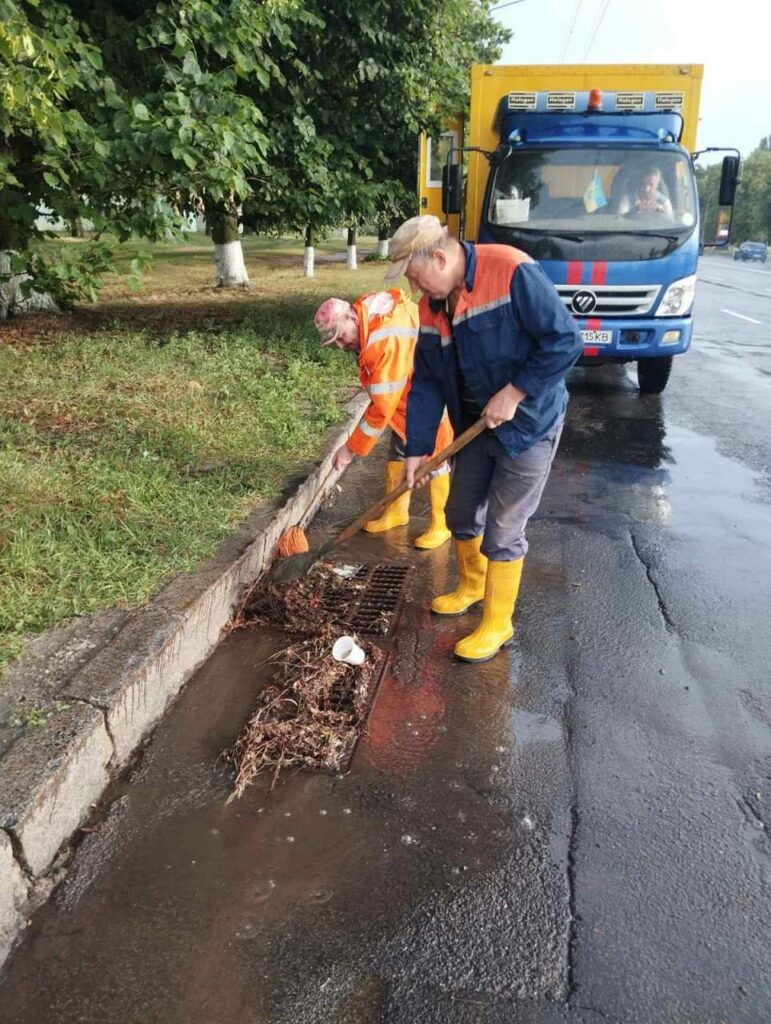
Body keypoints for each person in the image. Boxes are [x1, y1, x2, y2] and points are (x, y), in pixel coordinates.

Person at [384, 215, 582, 663]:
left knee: (504, 528)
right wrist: (418, 449)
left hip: (528, 423)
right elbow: (429, 381)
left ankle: (497, 622)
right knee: (459, 511)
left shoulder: (511, 270)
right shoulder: (432, 307)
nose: (416, 291)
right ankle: (471, 586)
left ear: (438, 257)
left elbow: (564, 340)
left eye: (416, 278)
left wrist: (515, 392)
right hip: (474, 426)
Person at [314, 289, 453, 549]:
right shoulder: (370, 317)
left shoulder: (384, 339)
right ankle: (397, 512)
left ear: (352, 319)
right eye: (336, 343)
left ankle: (441, 523)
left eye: (341, 337)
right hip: (410, 394)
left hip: (432, 394)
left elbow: (381, 408)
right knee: (399, 451)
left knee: (436, 456)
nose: (343, 346)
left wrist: (350, 448)